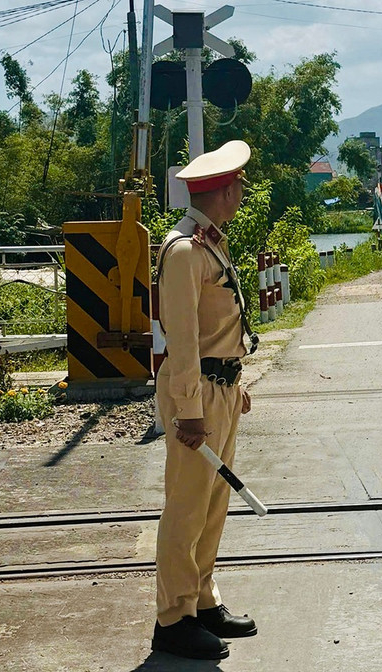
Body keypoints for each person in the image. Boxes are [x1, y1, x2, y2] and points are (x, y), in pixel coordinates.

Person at [151, 139, 259, 661]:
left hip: (220, 390)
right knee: (187, 508)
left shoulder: (211, 243)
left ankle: (203, 601)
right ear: (217, 192)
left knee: (214, 505)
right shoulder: (183, 251)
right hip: (196, 397)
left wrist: (233, 385)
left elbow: (216, 329)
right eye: (235, 185)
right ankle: (173, 618)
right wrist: (190, 410)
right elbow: (185, 338)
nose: (241, 192)